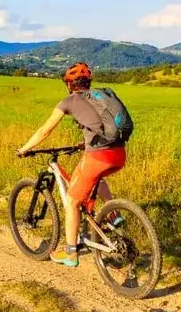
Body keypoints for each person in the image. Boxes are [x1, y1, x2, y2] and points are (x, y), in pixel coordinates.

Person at [16, 62, 129, 267]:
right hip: (119, 153)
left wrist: (24, 149)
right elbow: (100, 126)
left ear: (69, 84)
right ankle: (114, 215)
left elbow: (45, 131)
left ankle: (70, 253)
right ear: (88, 83)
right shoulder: (98, 97)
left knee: (72, 202)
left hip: (98, 157)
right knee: (97, 179)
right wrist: (84, 144)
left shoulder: (69, 101)